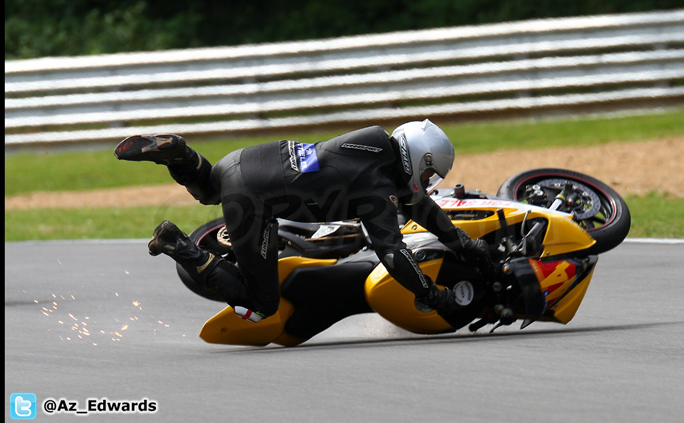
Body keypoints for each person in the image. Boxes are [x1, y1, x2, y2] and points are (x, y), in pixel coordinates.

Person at [114, 119, 495, 322]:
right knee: (261, 304)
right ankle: (177, 244)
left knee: (211, 190)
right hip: (255, 200)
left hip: (245, 160)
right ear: (417, 158)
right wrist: (431, 294)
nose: (428, 185)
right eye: (430, 176)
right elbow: (393, 254)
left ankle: (182, 156)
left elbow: (417, 204)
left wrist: (466, 243)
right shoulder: (378, 190)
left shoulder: (376, 142)